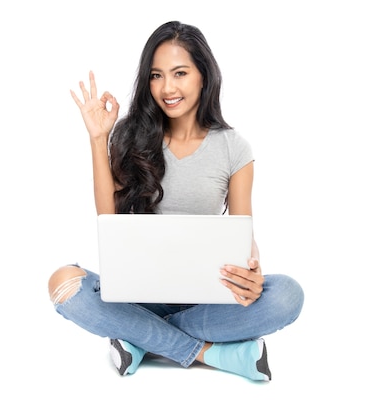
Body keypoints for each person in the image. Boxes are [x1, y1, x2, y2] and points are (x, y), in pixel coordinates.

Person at [48, 20, 304, 381]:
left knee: (287, 295)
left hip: (205, 298)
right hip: (138, 292)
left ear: (204, 75)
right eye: (156, 75)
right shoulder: (130, 135)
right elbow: (109, 220)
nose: (167, 88)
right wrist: (98, 140)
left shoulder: (234, 149)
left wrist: (252, 269)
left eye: (180, 73)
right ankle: (210, 354)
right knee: (63, 282)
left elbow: (243, 232)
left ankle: (140, 336)